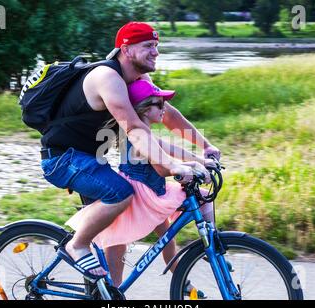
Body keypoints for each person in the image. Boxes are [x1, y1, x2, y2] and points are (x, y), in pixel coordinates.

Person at [40, 21, 221, 282]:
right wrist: (173, 166)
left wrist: (204, 146)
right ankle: (77, 244)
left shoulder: (138, 79)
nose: (156, 52)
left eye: (156, 46)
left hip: (91, 159)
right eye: (148, 46)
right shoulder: (107, 78)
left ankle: (110, 293)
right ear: (126, 49)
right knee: (120, 193)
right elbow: (135, 128)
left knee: (116, 235)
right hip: (63, 158)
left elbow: (167, 114)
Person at [65, 80, 214, 298]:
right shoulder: (136, 134)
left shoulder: (143, 129)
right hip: (139, 194)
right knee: (118, 245)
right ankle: (110, 292)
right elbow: (162, 168)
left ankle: (198, 261)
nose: (164, 108)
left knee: (167, 238)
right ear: (143, 108)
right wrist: (190, 167)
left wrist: (198, 159)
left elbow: (167, 147)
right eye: (159, 104)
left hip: (153, 192)